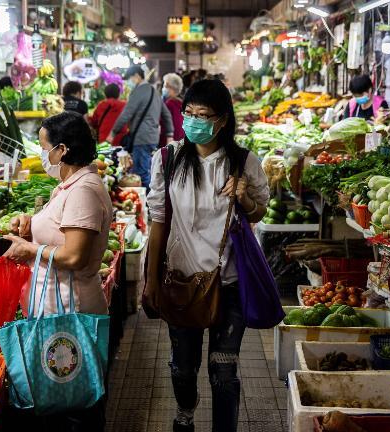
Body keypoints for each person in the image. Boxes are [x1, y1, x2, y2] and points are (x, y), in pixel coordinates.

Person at [145, 79, 270, 432]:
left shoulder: (244, 162)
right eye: (190, 113)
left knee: (223, 371)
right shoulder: (167, 160)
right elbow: (157, 221)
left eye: (203, 114)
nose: (194, 120)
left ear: (222, 120)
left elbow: (258, 211)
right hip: (180, 280)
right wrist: (152, 280)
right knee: (183, 367)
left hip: (229, 282)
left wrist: (243, 198)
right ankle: (186, 410)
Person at [2, 111, 112, 431]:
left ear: (62, 150)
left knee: (75, 401)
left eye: (43, 146)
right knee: (62, 397)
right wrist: (29, 228)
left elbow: (75, 255)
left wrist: (29, 250)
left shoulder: (83, 191)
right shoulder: (67, 186)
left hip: (72, 308)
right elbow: (58, 234)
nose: (41, 155)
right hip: (56, 309)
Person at [108, 65, 174, 188]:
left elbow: (126, 114)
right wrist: (170, 134)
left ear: (137, 76)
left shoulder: (138, 92)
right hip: (152, 138)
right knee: (146, 170)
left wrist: (112, 133)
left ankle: (147, 203)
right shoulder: (154, 92)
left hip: (141, 138)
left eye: (129, 79)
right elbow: (166, 115)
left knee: (141, 173)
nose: (128, 82)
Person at [159, 73, 185, 147]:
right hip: (179, 141)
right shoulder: (181, 102)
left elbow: (173, 125)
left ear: (171, 88)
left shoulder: (169, 104)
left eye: (165, 86)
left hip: (169, 141)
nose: (163, 88)